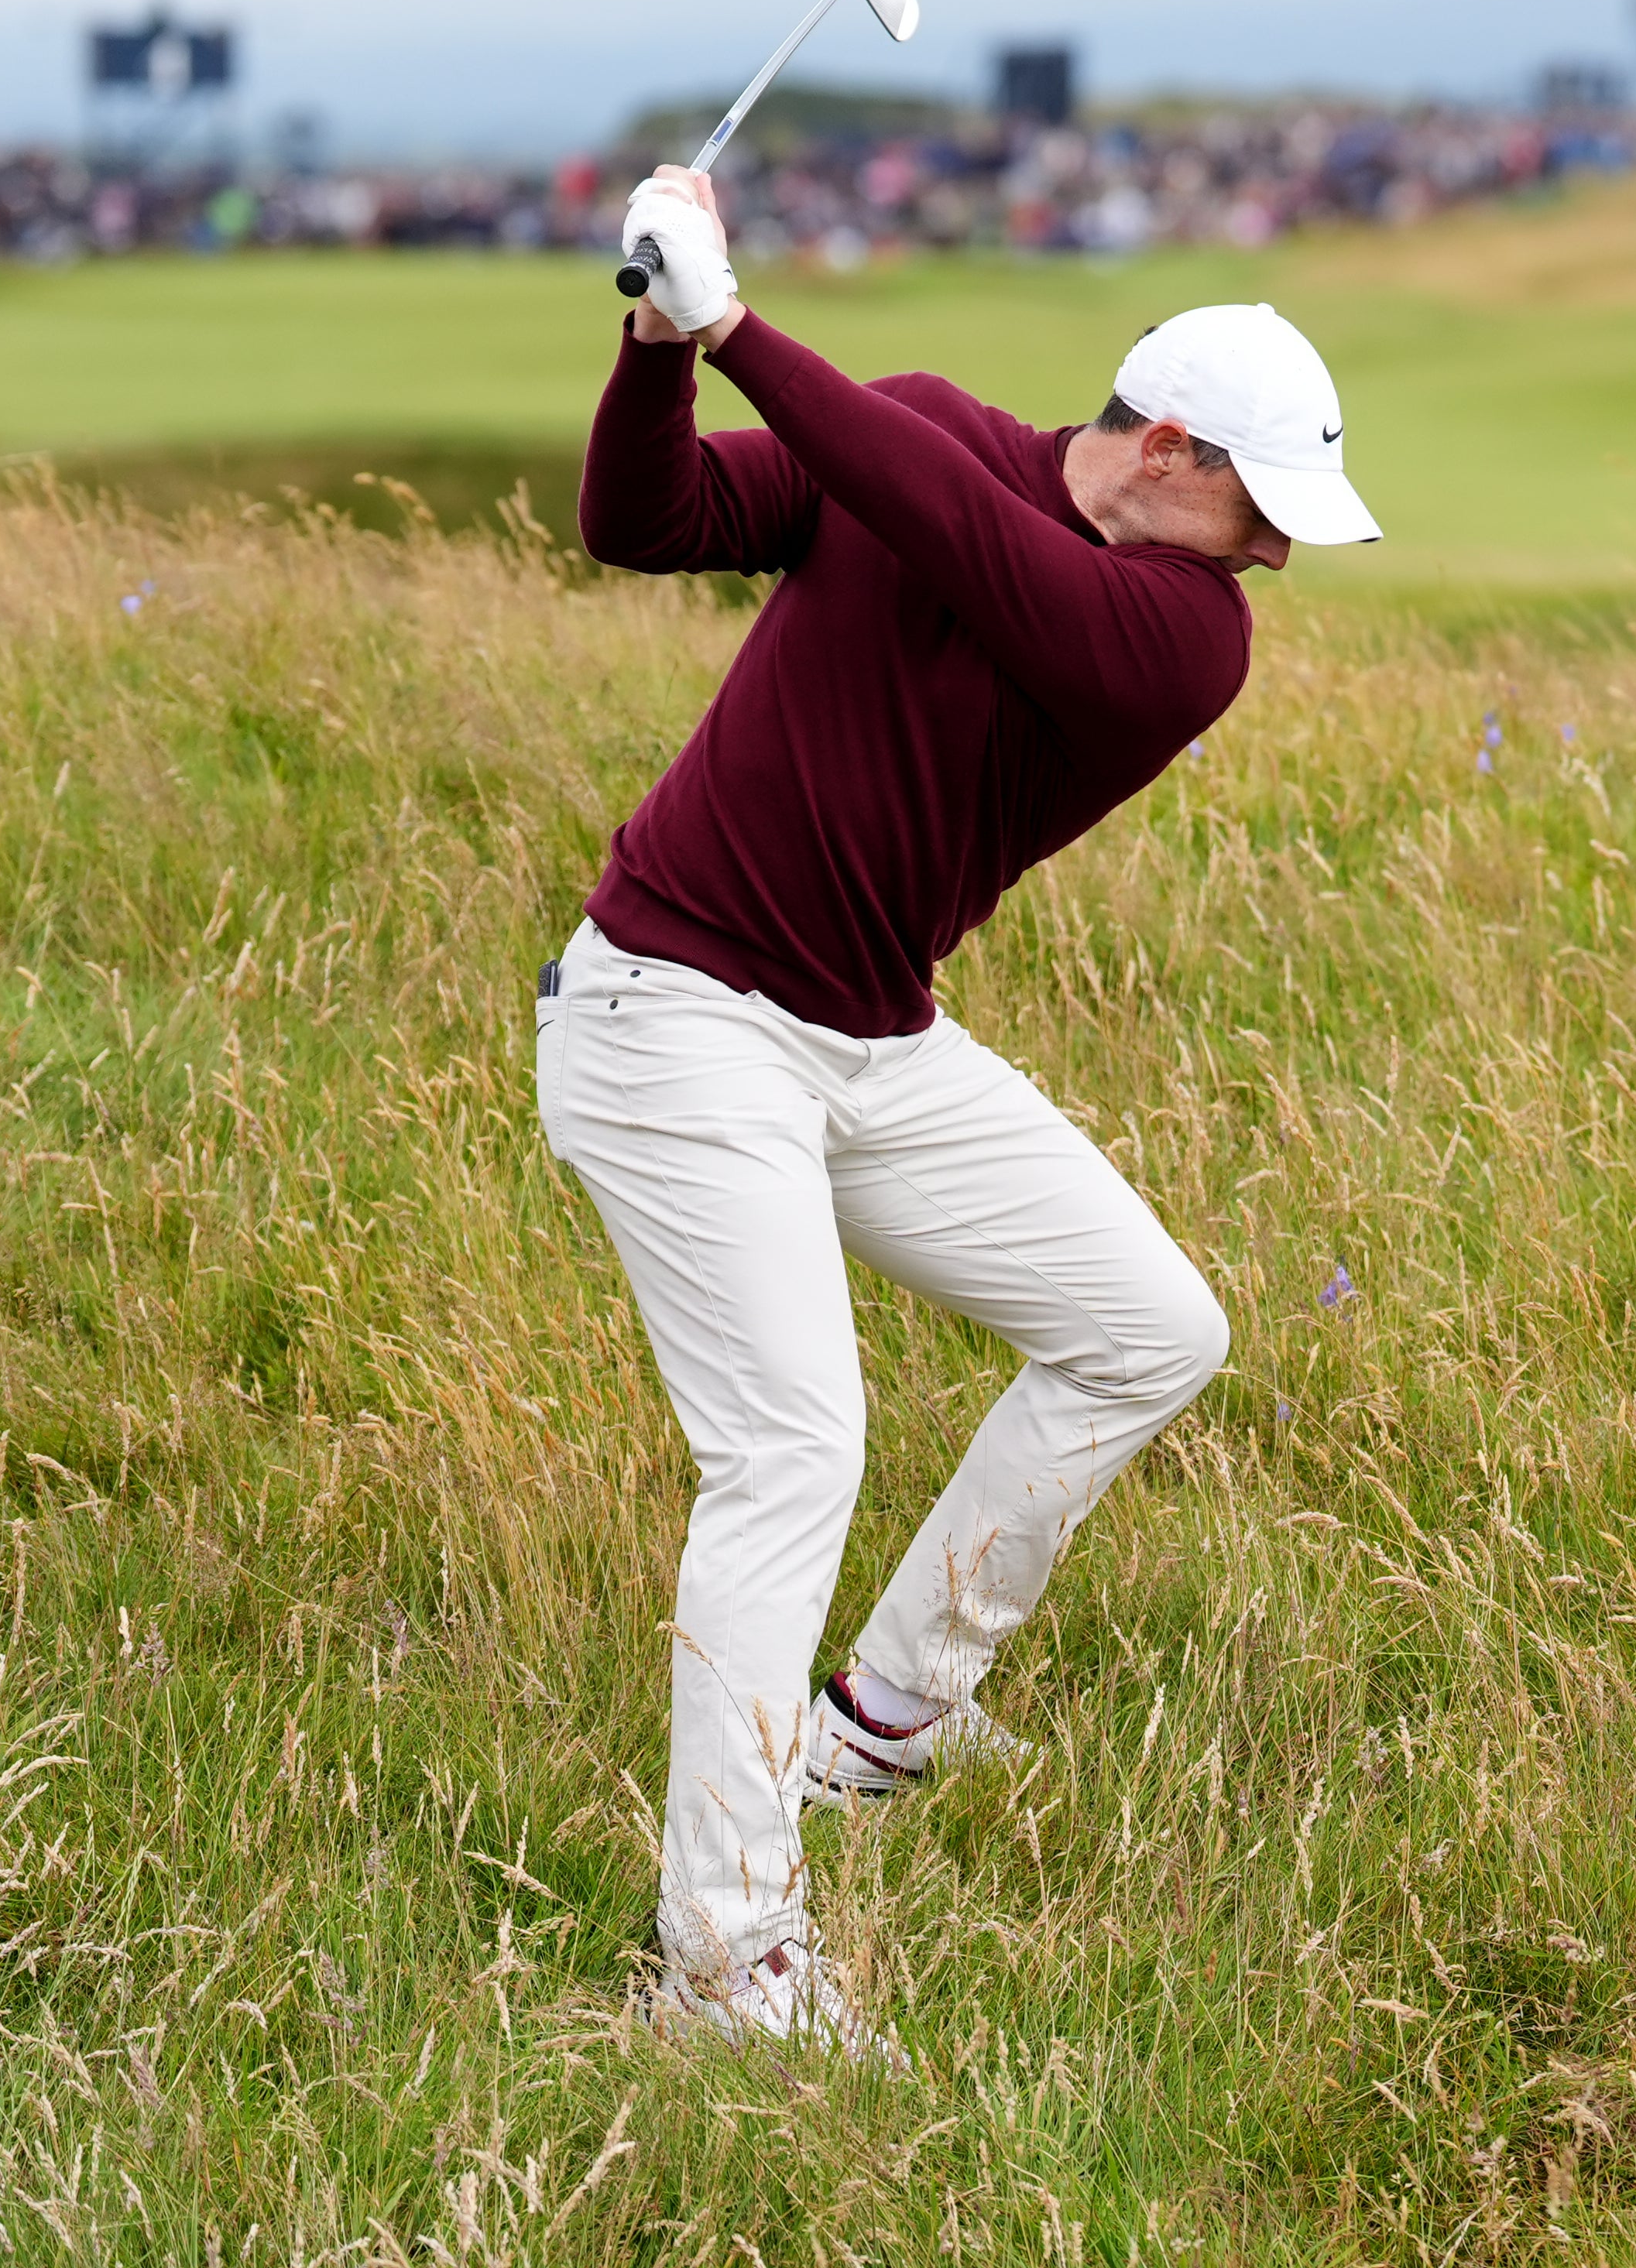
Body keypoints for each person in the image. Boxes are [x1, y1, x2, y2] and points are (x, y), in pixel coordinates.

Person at [537, 166, 1380, 2058]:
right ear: (1166, 448)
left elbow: (974, 551)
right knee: (790, 1452)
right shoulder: (907, 432)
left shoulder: (1180, 638)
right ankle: (728, 1958)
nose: (1276, 558)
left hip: (861, 1039)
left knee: (1149, 1328)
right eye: (1261, 509)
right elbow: (641, 520)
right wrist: (660, 345)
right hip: (668, 1014)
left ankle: (889, 1715)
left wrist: (749, 326)